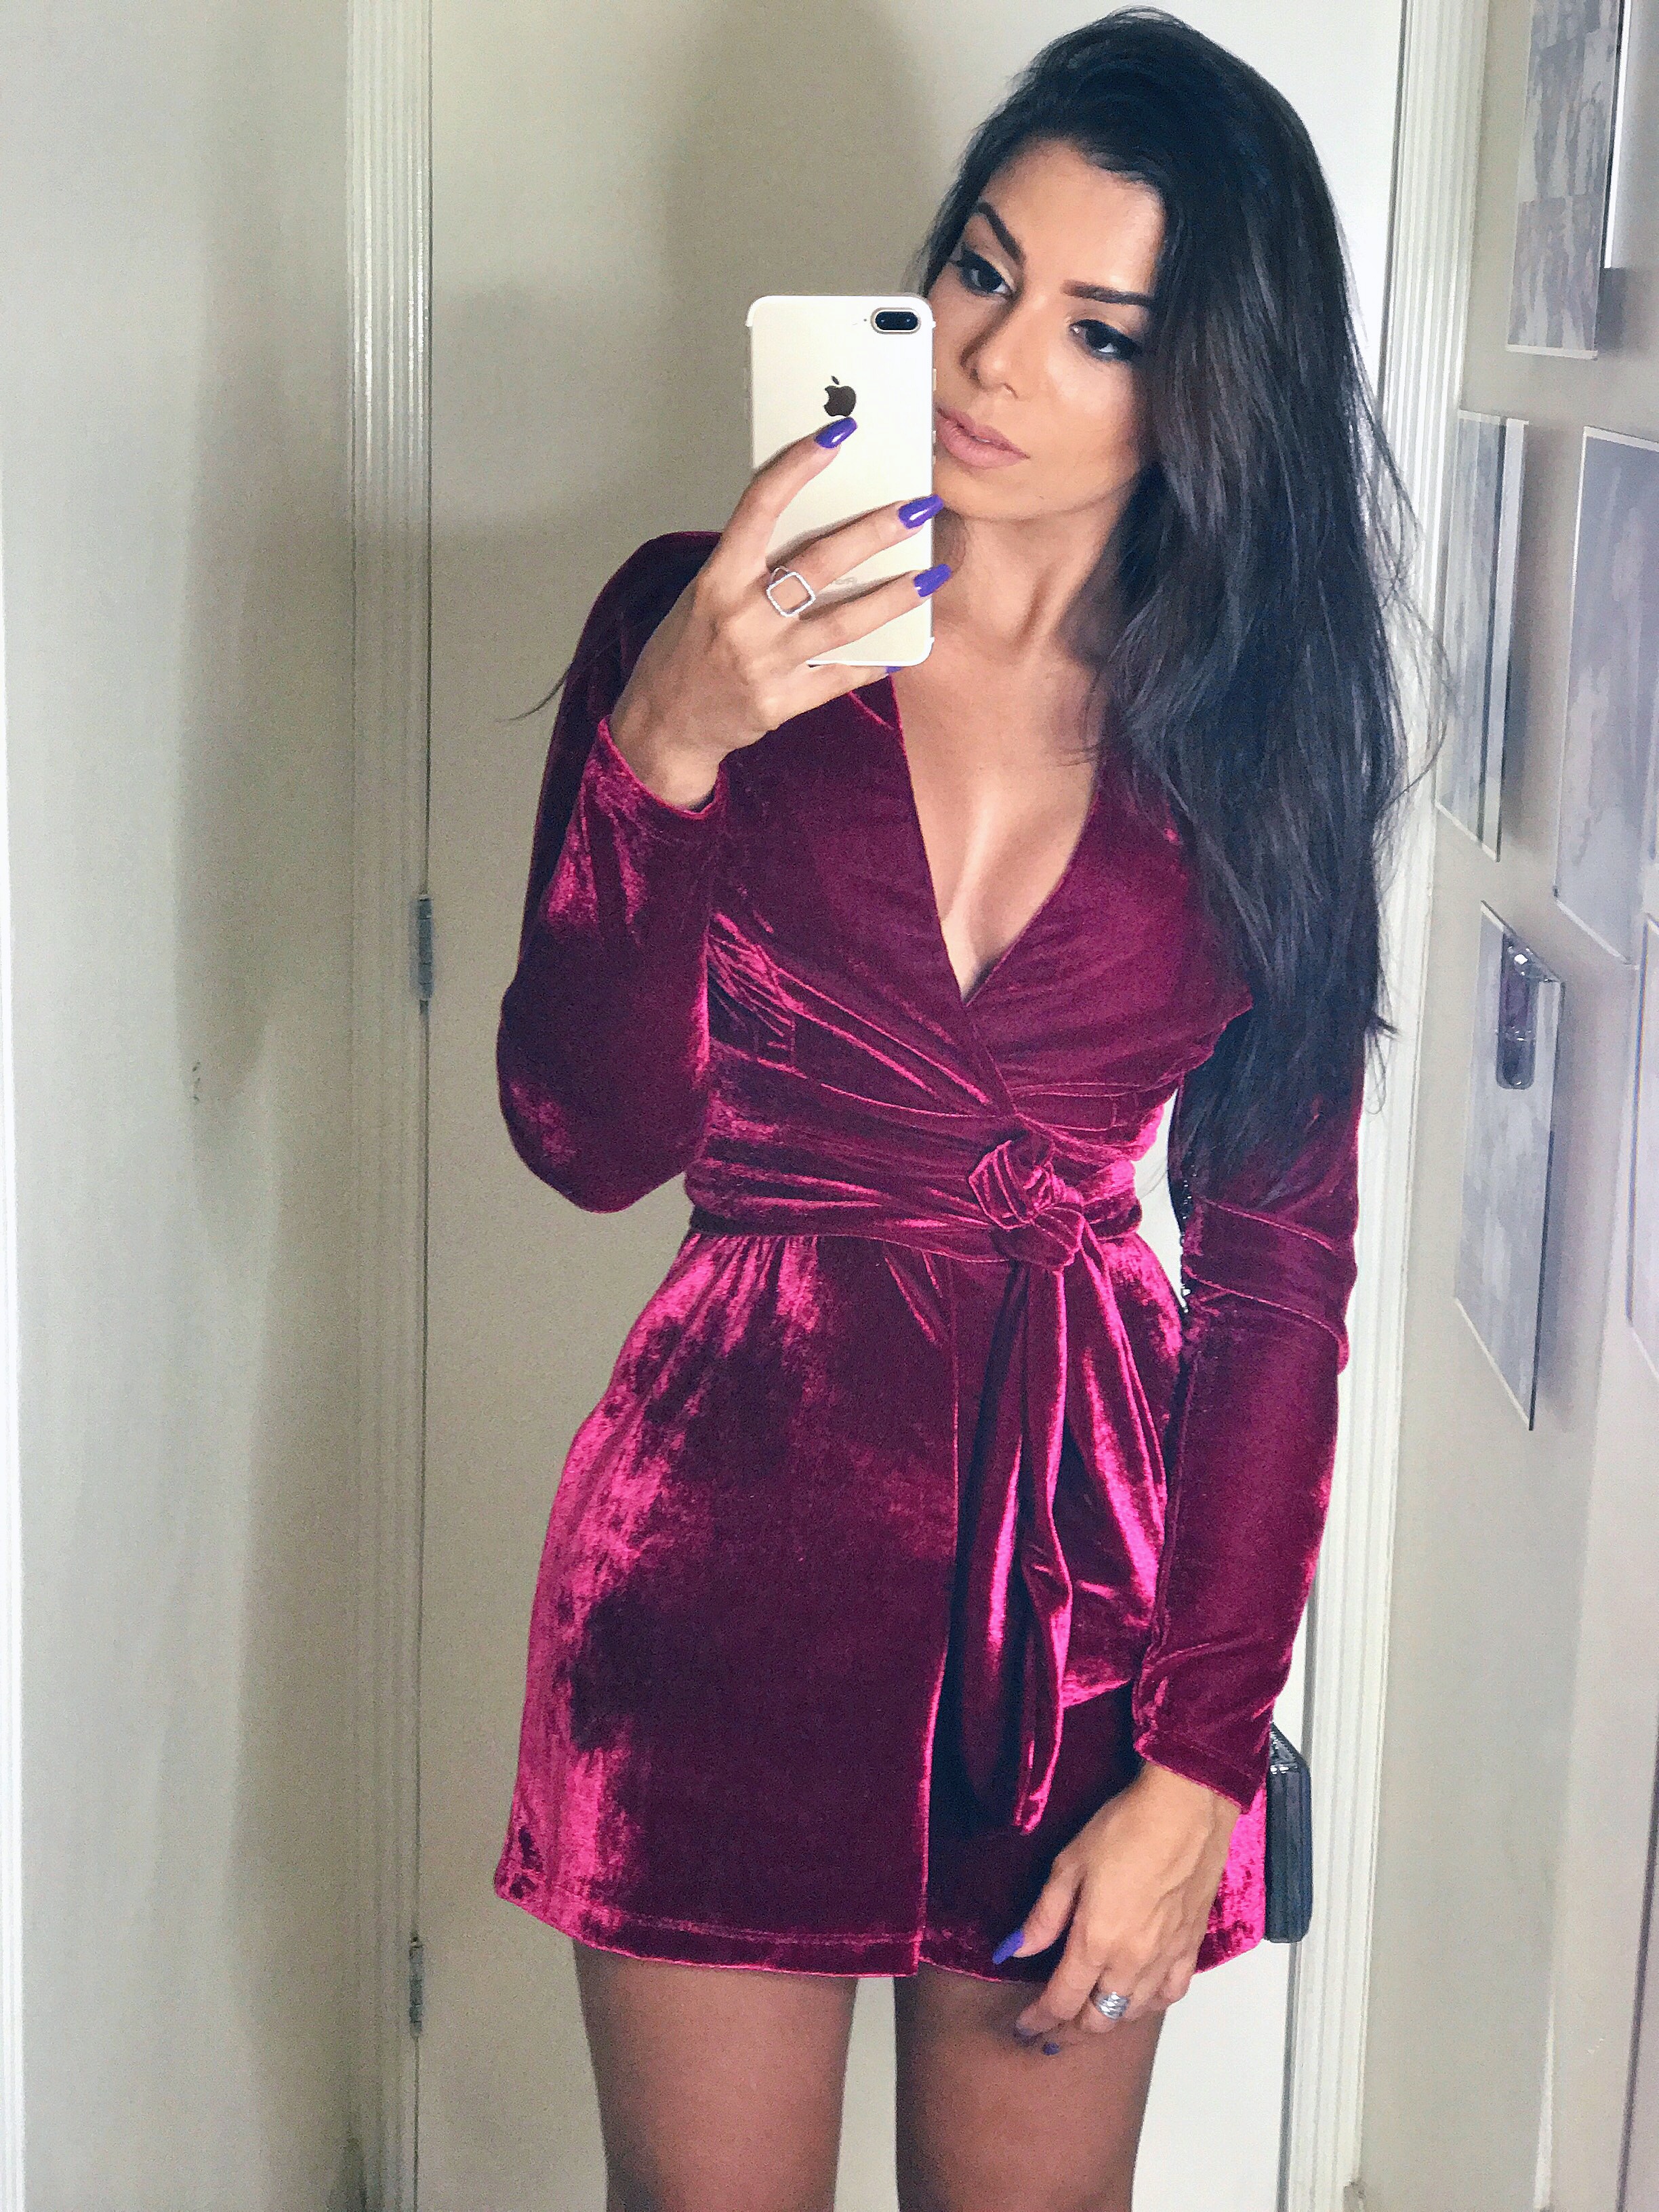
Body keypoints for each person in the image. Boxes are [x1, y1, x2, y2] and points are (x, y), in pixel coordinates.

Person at [492, 11, 1413, 2207]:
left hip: (1083, 1624)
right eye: (980, 268)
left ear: (1213, 388)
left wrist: (1202, 1765)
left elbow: (1280, 1278)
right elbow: (583, 1139)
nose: (993, 361)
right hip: (718, 1569)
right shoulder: (699, 622)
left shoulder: (1261, 736)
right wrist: (665, 747)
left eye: (1101, 329)